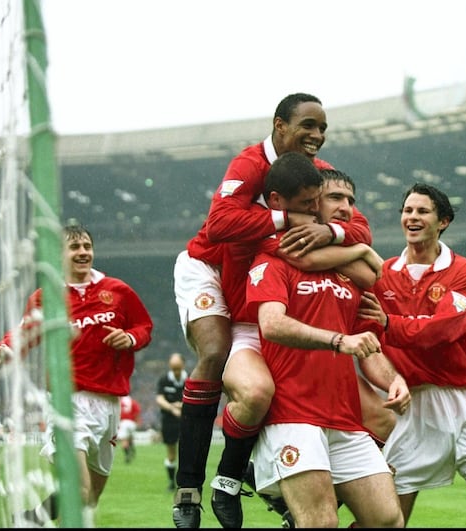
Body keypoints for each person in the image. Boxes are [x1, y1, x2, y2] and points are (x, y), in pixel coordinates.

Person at [172, 93, 371, 528]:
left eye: (322, 128)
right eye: (308, 126)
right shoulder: (249, 164)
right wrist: (294, 223)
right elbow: (220, 225)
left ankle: (246, 474)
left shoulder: (316, 175)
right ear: (279, 125)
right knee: (214, 349)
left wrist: (330, 230)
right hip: (208, 265)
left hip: (252, 284)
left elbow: (359, 226)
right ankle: (188, 488)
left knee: (270, 387)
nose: (317, 136)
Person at [211, 161, 397, 528]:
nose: (346, 207)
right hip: (294, 415)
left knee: (387, 519)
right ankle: (229, 476)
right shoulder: (271, 259)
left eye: (351, 200)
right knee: (320, 522)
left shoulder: (347, 273)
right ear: (310, 206)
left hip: (345, 417)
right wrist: (338, 340)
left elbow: (376, 284)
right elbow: (272, 323)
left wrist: (394, 381)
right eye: (334, 199)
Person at [359, 183, 466, 527]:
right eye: (408, 210)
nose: (412, 217)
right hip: (414, 406)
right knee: (387, 517)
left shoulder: (462, 270)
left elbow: (445, 330)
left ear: (443, 221)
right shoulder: (381, 276)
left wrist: (390, 324)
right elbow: (371, 341)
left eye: (422, 211)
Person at [0, 224, 154, 526]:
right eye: (74, 247)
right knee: (79, 490)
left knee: (89, 498)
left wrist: (130, 338)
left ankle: (30, 519)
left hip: (110, 405)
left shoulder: (118, 291)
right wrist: (3, 349)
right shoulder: (47, 297)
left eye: (87, 246)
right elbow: (26, 333)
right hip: (68, 402)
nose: (83, 252)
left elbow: (143, 327)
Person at [156, 352, 188, 491]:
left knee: (187, 450)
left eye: (178, 368)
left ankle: (187, 482)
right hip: (169, 420)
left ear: (183, 366)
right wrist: (171, 408)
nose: (176, 371)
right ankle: (171, 481)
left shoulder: (190, 379)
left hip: (186, 420)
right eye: (173, 368)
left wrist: (180, 406)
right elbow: (159, 398)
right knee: (171, 452)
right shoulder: (164, 379)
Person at [118, 395, 142, 464]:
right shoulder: (133, 402)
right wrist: (137, 422)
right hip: (132, 423)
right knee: (130, 438)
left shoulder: (120, 401)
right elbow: (137, 412)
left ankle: (127, 454)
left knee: (124, 441)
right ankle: (132, 449)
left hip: (124, 422)